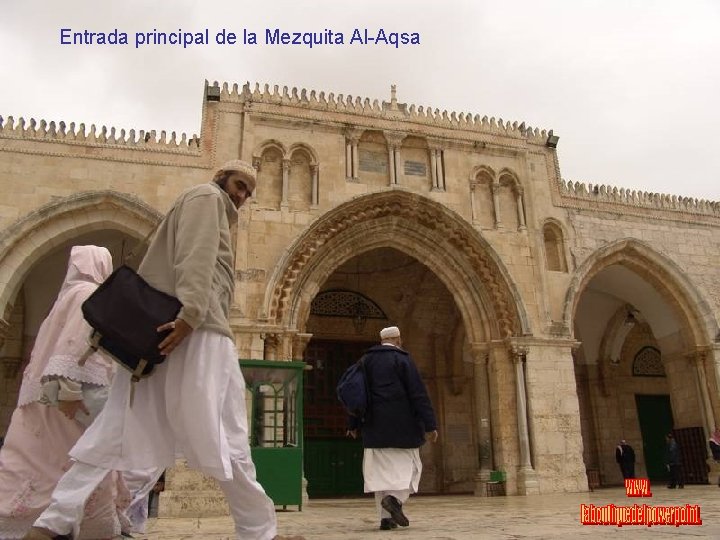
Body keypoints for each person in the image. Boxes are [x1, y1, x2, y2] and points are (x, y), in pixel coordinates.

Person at [26, 161, 303, 540]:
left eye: (248, 192)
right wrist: (191, 313)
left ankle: (53, 522)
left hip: (162, 337)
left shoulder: (201, 202)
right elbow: (197, 256)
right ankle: (258, 531)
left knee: (115, 428)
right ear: (222, 178)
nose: (242, 195)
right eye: (239, 185)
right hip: (198, 333)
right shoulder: (208, 197)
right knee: (230, 432)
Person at [0, 246, 125, 539]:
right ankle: (51, 526)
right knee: (85, 460)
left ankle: (36, 522)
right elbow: (73, 347)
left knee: (34, 462)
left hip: (45, 402)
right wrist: (69, 391)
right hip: (70, 403)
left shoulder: (65, 298)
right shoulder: (88, 295)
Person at [347, 326, 438, 531]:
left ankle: (386, 519)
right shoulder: (403, 360)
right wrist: (430, 424)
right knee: (410, 469)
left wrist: (352, 424)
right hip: (403, 428)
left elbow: (355, 394)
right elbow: (418, 395)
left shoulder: (365, 361)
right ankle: (394, 500)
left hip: (373, 427)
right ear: (397, 339)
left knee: (381, 476)